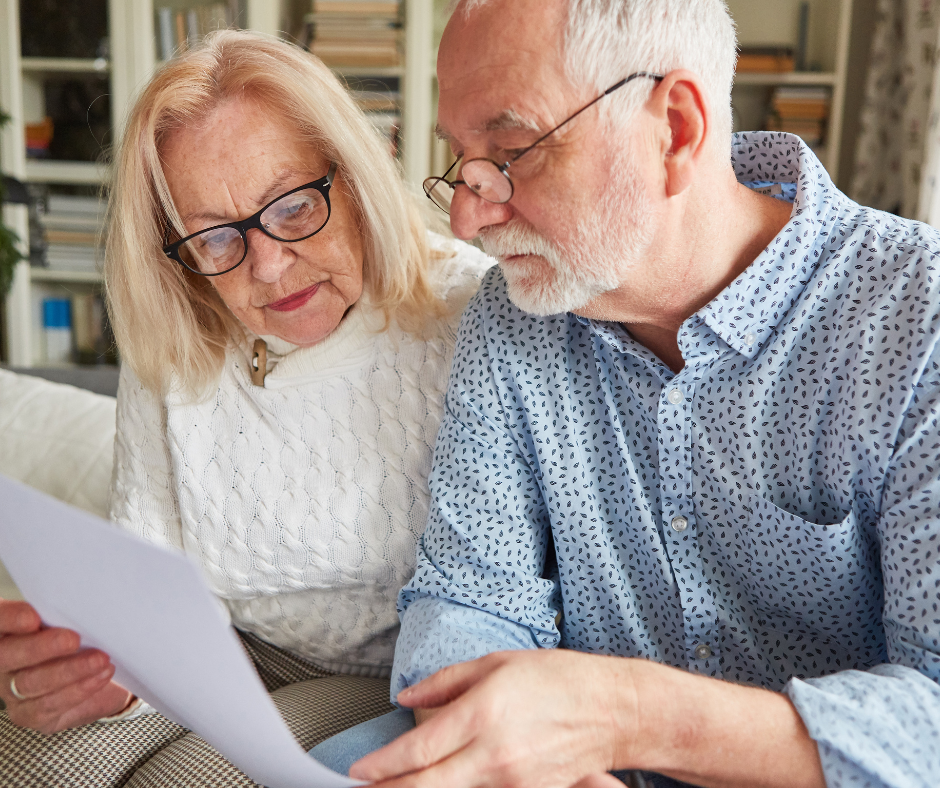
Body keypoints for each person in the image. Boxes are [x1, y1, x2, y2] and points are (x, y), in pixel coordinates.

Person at [308, 1, 940, 786]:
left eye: (511, 152)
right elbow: (467, 600)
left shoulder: (920, 319)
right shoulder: (511, 319)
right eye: (461, 163)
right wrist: (531, 761)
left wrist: (625, 718)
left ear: (674, 129)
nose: (468, 218)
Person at [0, 29, 492, 788]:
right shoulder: (176, 330)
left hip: (389, 673)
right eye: (214, 236)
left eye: (294, 207)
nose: (266, 264)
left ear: (355, 176)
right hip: (213, 651)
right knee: (28, 763)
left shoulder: (471, 315)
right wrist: (99, 674)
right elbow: (147, 568)